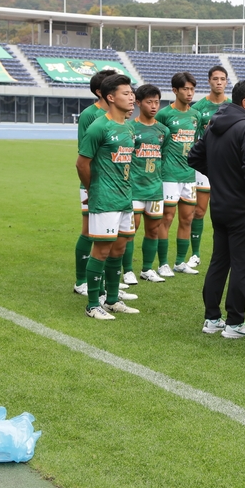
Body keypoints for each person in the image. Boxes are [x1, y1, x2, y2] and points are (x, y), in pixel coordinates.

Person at [188, 80, 245, 339]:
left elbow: (194, 156)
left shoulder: (214, 124)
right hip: (242, 208)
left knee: (219, 262)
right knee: (243, 265)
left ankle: (212, 319)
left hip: (219, 205)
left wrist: (220, 178)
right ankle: (234, 323)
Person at [75, 74, 140, 319]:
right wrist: (94, 190)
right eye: (126, 93)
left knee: (119, 249)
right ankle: (93, 304)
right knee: (101, 251)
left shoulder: (129, 126)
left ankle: (112, 300)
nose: (132, 96)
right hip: (105, 198)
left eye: (132, 92)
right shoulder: (98, 126)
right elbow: (82, 164)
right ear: (110, 97)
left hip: (125, 197)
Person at [73, 69, 118, 296]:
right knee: (89, 231)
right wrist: (91, 186)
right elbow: (85, 155)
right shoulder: (90, 115)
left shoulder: (118, 117)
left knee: (112, 237)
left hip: (114, 186)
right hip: (94, 183)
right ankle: (82, 280)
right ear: (103, 92)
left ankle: (108, 286)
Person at [155, 72, 202, 277]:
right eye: (185, 89)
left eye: (192, 89)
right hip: (169, 175)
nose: (189, 93)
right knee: (167, 217)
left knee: (187, 219)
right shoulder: (164, 115)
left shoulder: (196, 116)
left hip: (189, 175)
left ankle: (180, 262)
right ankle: (163, 263)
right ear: (175, 90)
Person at [189, 66, 229, 268]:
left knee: (226, 210)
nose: (219, 82)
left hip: (227, 166)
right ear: (209, 81)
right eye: (215, 79)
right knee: (200, 210)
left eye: (222, 79)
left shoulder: (233, 106)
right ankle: (195, 253)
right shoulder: (198, 109)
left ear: (227, 82)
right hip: (206, 165)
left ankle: (223, 251)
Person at [129, 85, 170, 284]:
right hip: (134, 189)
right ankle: (127, 270)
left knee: (153, 230)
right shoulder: (130, 128)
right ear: (138, 103)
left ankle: (147, 268)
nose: (154, 106)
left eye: (157, 102)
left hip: (155, 190)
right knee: (131, 230)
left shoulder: (163, 131)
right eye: (149, 102)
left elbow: (164, 157)